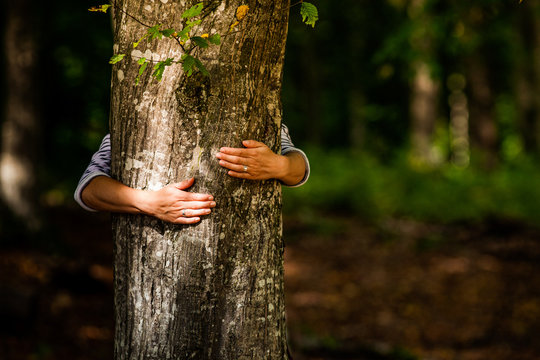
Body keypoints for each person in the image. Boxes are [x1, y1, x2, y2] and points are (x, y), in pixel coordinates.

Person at [74, 123, 310, 224]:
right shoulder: (137, 118)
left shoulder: (256, 114)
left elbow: (298, 166)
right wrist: (148, 201)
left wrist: (279, 165)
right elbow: (88, 188)